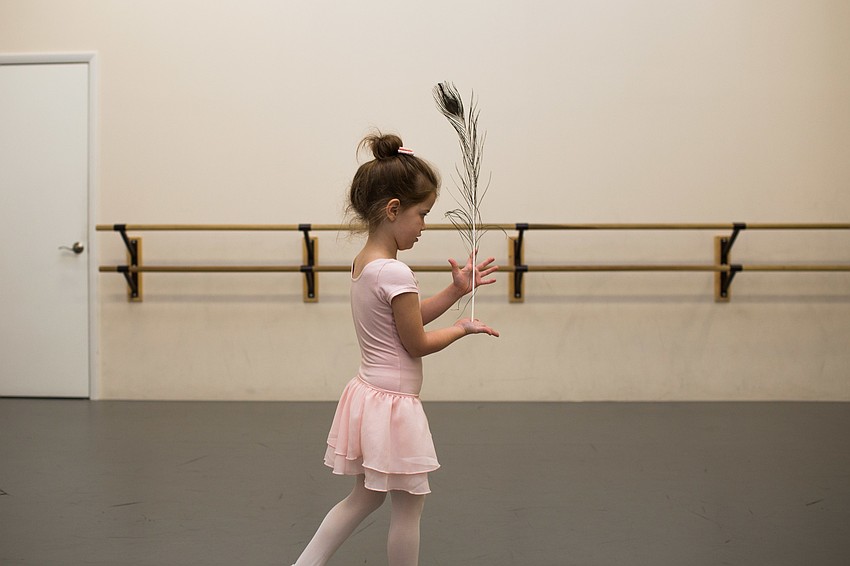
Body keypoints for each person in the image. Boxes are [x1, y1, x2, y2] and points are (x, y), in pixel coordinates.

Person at [293, 132, 499, 566]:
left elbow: (407, 320)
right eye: (422, 214)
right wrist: (463, 328)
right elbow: (417, 342)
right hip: (394, 406)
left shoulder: (367, 263)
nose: (425, 225)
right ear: (393, 210)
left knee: (364, 499)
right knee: (408, 506)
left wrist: (455, 290)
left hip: (369, 394)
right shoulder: (397, 272)